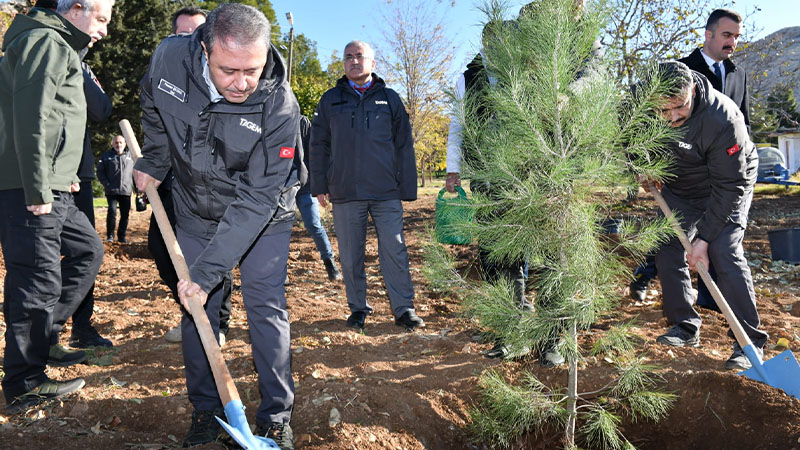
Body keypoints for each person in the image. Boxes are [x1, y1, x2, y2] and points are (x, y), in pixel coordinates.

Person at [133, 4, 300, 447]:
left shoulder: (278, 104)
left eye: (253, 69)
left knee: (266, 308)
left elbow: (258, 197)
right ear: (204, 48)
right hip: (193, 206)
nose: (243, 83)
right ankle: (206, 411)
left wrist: (207, 273)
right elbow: (152, 102)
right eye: (230, 71)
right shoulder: (169, 59)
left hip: (264, 215)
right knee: (197, 308)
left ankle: (277, 417)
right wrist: (154, 158)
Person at [0, 0, 113, 413]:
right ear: (77, 8)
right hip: (33, 190)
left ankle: (44, 339)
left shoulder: (60, 44)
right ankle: (24, 382)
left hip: (56, 184)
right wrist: (37, 189)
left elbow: (57, 123)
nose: (103, 30)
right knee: (36, 280)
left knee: (88, 251)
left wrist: (60, 172)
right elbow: (30, 120)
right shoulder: (45, 42)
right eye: (101, 19)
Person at [642, 61, 766, 371]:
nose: (672, 116)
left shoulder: (722, 119)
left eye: (679, 107)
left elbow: (730, 186)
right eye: (663, 110)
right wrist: (641, 165)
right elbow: (626, 136)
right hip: (681, 184)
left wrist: (705, 240)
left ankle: (748, 342)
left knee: (724, 250)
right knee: (668, 245)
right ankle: (684, 327)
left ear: (693, 90)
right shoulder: (641, 102)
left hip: (725, 185)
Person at [631, 8, 749, 304]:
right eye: (726, 35)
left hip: (727, 165)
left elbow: (743, 123)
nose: (732, 42)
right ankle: (652, 282)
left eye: (736, 36)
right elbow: (639, 127)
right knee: (668, 237)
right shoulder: (678, 70)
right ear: (708, 35)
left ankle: (711, 298)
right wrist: (648, 164)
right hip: (686, 168)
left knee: (722, 243)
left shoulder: (738, 74)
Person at [310, 40, 424, 332]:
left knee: (395, 250)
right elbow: (319, 144)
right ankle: (358, 308)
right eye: (348, 57)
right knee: (350, 255)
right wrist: (319, 184)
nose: (353, 61)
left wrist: (407, 188)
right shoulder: (330, 100)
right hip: (346, 192)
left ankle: (404, 309)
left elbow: (404, 146)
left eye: (359, 56)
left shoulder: (390, 99)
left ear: (373, 63)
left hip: (385, 192)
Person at [144, 5, 233, 347]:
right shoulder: (163, 69)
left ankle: (217, 323)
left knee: (211, 253)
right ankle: (194, 312)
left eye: (197, 35)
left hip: (207, 182)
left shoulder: (219, 80)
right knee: (162, 248)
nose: (190, 42)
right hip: (169, 176)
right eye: (182, 35)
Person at [31, 0, 114, 349]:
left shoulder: (79, 63)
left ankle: (80, 324)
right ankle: (37, 334)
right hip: (45, 174)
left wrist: (78, 67)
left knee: (85, 251)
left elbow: (102, 109)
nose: (101, 33)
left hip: (78, 173)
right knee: (44, 259)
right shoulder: (42, 51)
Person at [292, 115, 341, 282]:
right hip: (281, 187)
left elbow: (315, 153)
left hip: (305, 185)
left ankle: (330, 263)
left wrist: (320, 183)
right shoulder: (271, 119)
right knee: (279, 230)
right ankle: (280, 273)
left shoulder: (302, 122)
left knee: (313, 224)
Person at [97, 135, 134, 243]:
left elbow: (136, 173)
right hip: (111, 191)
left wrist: (138, 188)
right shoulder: (106, 156)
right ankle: (110, 236)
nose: (118, 145)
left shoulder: (131, 156)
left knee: (125, 215)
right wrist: (107, 184)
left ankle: (122, 237)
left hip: (126, 191)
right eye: (116, 143)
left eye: (121, 142)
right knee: (112, 212)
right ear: (112, 144)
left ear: (125, 144)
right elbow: (100, 172)